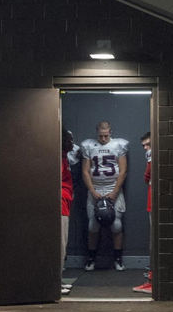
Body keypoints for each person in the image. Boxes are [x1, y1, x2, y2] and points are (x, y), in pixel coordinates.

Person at [80, 121, 128, 271]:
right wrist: (93, 191)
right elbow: (85, 171)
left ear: (110, 132)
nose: (103, 138)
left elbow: (122, 171)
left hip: (113, 188)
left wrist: (114, 192)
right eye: (100, 136)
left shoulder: (118, 145)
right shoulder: (89, 146)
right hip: (95, 188)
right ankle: (91, 258)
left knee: (116, 225)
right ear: (97, 133)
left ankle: (118, 259)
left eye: (106, 135)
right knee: (93, 225)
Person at [133, 131, 153, 295]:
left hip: (155, 203)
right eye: (144, 146)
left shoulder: (153, 156)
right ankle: (152, 279)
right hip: (151, 203)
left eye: (149, 144)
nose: (146, 148)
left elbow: (147, 175)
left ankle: (153, 281)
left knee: (156, 242)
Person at [60, 130, 76, 295]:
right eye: (70, 139)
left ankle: (57, 279)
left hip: (65, 201)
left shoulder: (64, 156)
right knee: (60, 245)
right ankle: (54, 282)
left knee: (62, 245)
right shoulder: (58, 157)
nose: (72, 142)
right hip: (60, 203)